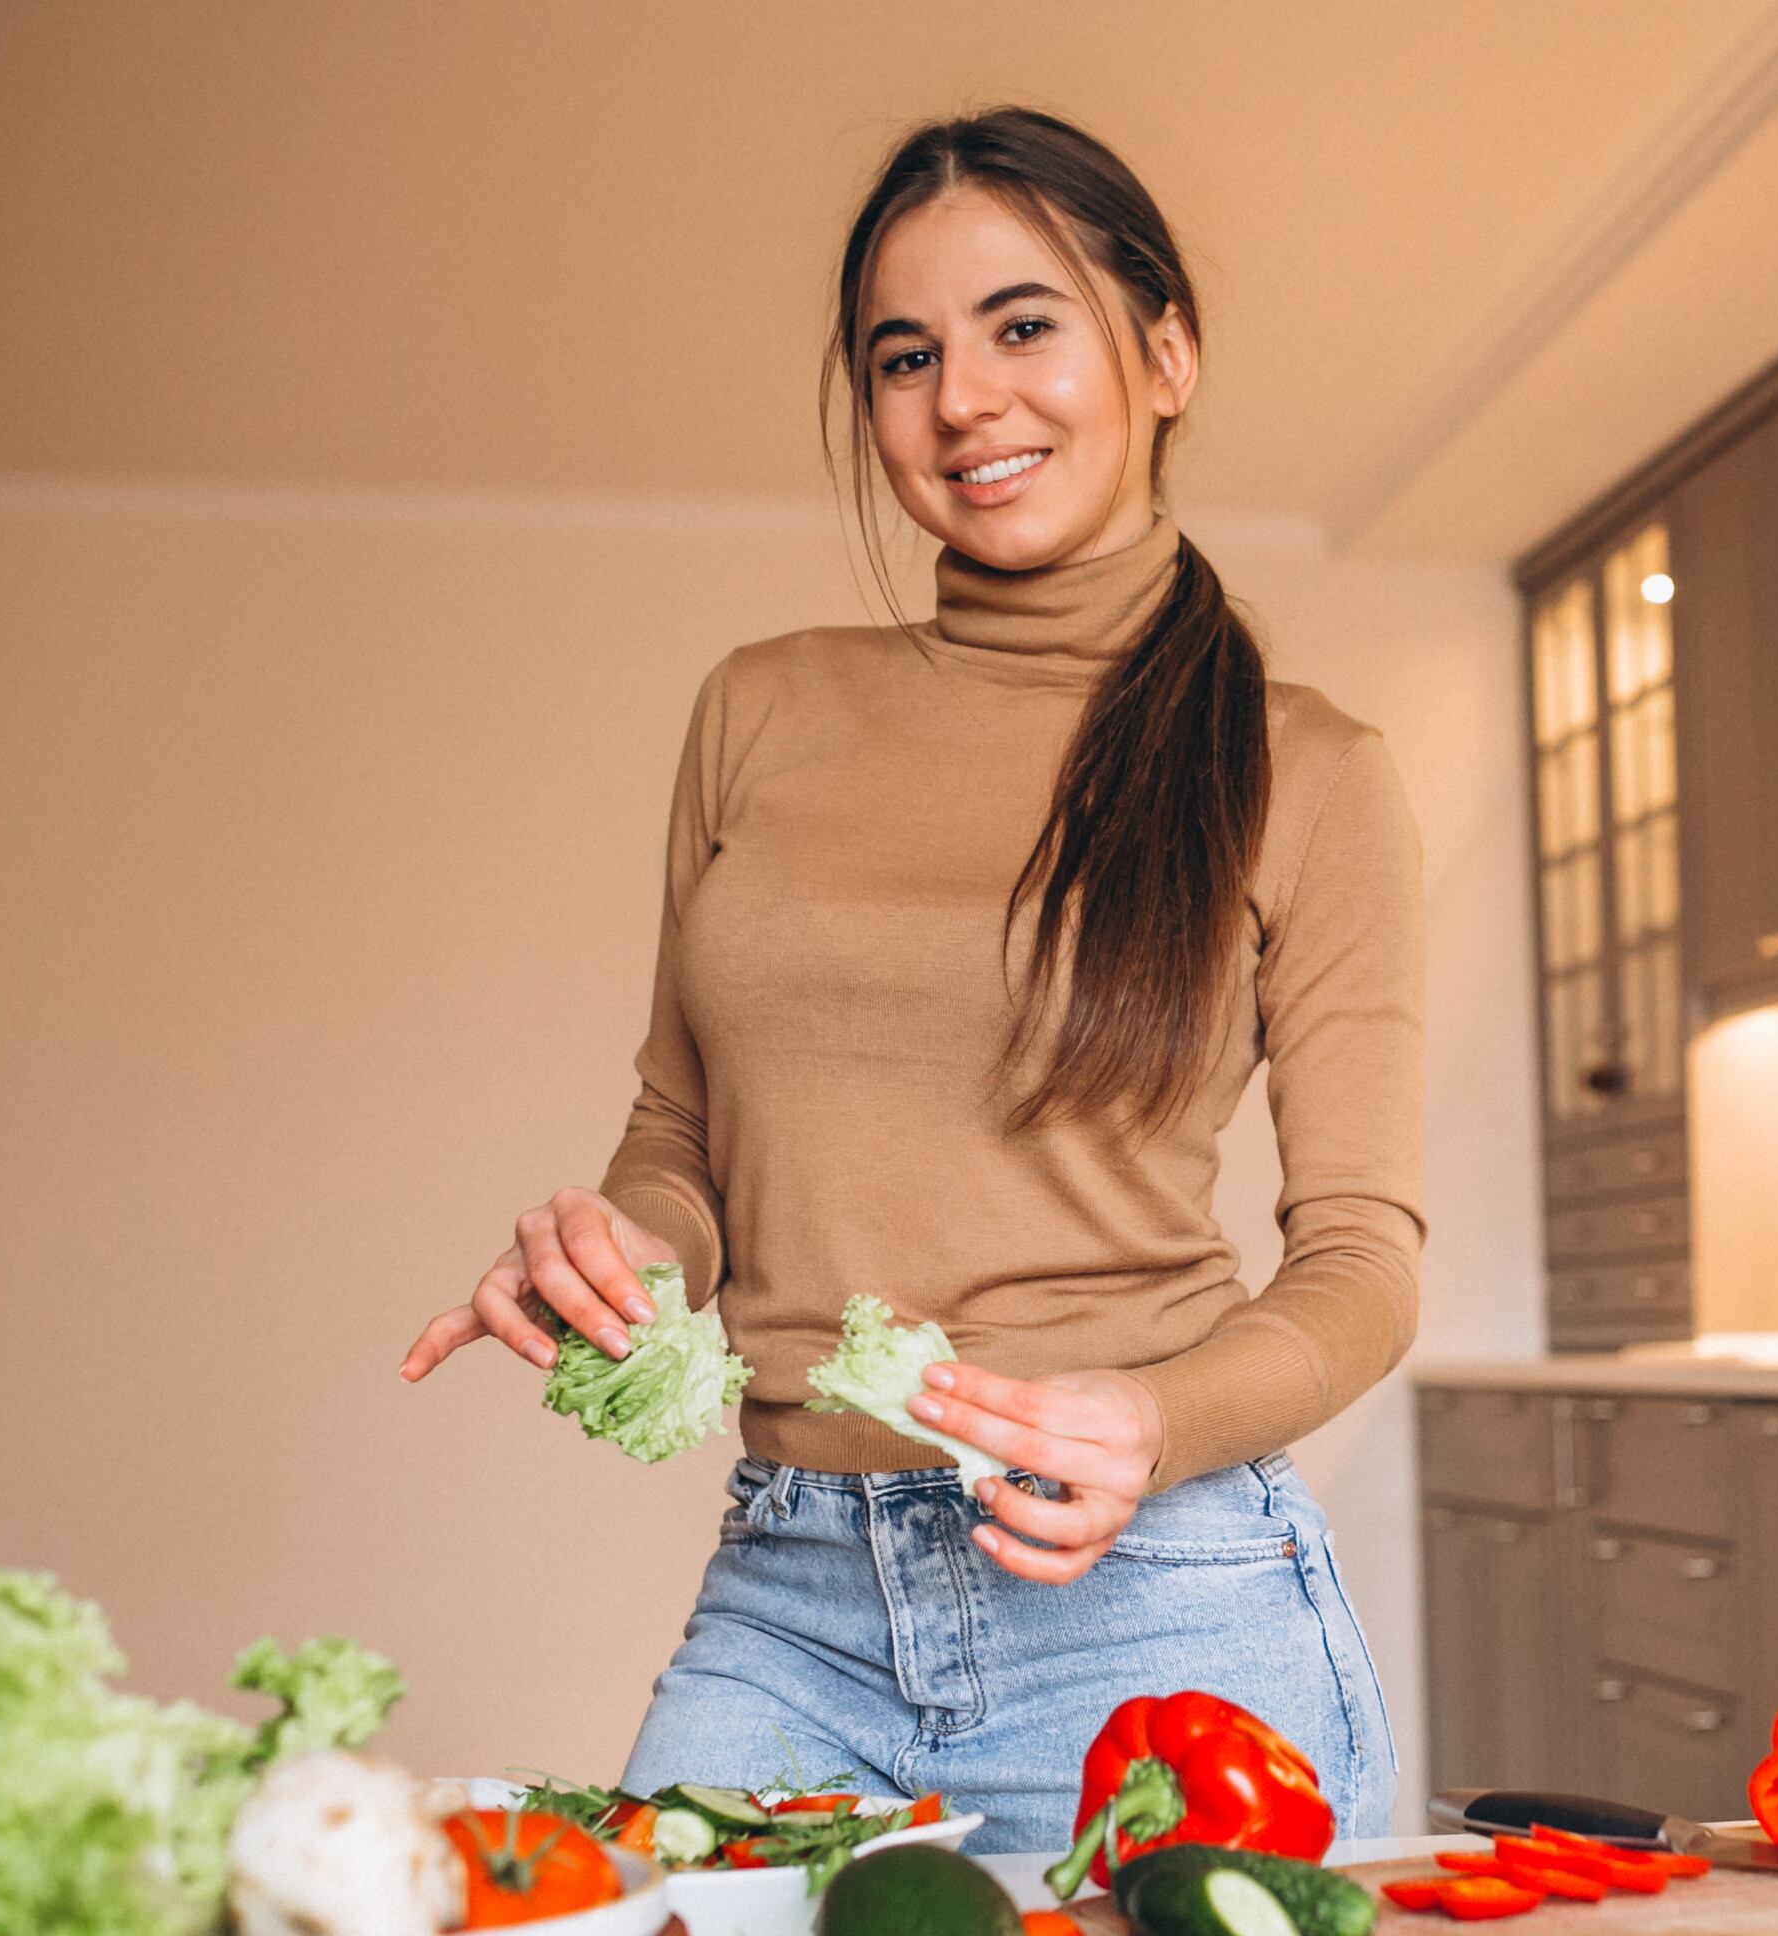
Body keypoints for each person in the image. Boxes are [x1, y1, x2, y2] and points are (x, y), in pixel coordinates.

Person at [396, 106, 1422, 1854]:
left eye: (1025, 325)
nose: (964, 400)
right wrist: (631, 1253)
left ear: (1163, 350)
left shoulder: (1304, 769)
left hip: (1161, 1599)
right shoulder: (759, 709)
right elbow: (682, 1130)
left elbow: (1362, 1264)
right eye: (905, 355)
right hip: (793, 1590)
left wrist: (1150, 1419)